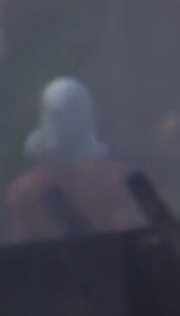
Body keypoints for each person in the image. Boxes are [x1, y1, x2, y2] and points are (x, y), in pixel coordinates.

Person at [4, 77, 141, 243]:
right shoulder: (24, 192)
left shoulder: (118, 182)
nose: (62, 122)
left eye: (72, 112)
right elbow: (20, 257)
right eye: (56, 114)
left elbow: (130, 246)